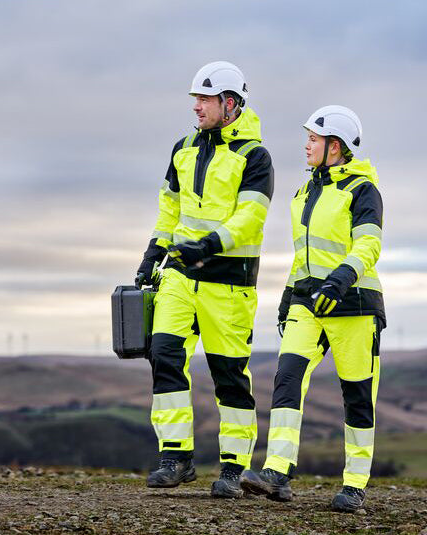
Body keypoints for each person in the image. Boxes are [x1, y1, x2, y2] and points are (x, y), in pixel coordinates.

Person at [134, 61, 274, 498]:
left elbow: (250, 218)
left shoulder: (255, 156)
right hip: (178, 276)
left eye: (205, 99)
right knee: (164, 354)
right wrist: (153, 253)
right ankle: (176, 457)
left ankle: (233, 468)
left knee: (228, 376)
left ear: (230, 103)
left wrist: (207, 246)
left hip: (228, 284)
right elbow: (169, 209)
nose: (196, 106)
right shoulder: (183, 148)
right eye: (195, 99)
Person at [239, 105, 384, 512]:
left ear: (334, 146)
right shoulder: (304, 192)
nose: (306, 145)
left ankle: (354, 484)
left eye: (313, 139)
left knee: (357, 395)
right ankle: (277, 472)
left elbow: (369, 244)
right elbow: (303, 255)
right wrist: (288, 295)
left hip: (354, 305)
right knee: (287, 377)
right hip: (307, 304)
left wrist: (342, 277)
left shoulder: (363, 190)